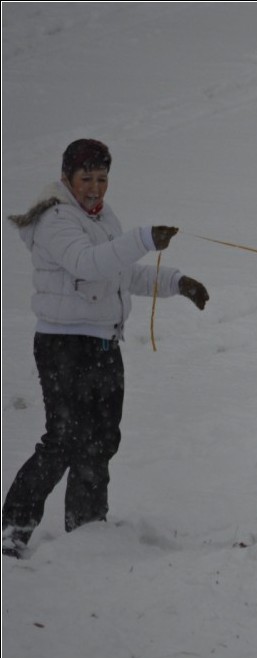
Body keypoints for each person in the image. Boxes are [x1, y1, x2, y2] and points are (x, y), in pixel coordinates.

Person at [1, 138, 210, 559]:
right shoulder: (55, 220)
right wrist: (143, 238)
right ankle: (12, 528)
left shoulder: (100, 217)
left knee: (101, 439)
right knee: (62, 440)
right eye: (86, 178)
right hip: (63, 345)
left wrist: (175, 283)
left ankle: (87, 526)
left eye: (102, 178)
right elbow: (88, 264)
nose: (95, 187)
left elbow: (117, 273)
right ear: (66, 177)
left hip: (103, 343)